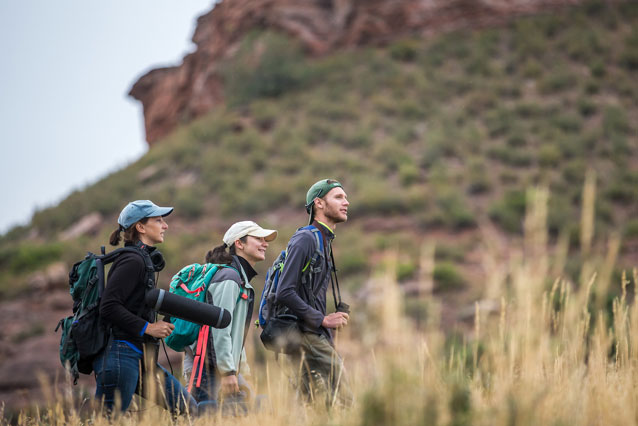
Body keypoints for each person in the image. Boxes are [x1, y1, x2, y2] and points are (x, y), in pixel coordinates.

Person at [93, 200, 197, 415]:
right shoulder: (133, 261)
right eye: (158, 220)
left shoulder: (141, 260)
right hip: (121, 353)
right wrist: (148, 328)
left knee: (188, 409)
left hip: (137, 357)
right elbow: (108, 306)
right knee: (110, 419)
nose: (165, 225)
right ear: (140, 227)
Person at [183, 220, 277, 413]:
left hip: (218, 365)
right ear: (239, 244)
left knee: (242, 412)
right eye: (258, 238)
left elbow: (234, 334)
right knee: (205, 417)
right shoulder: (228, 278)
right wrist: (228, 372)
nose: (265, 243)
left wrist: (243, 371)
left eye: (265, 239)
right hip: (206, 367)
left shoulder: (238, 279)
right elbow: (219, 328)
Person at [274, 178, 353, 407]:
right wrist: (323, 319)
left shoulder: (323, 240)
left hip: (313, 332)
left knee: (316, 404)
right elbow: (284, 291)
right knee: (344, 397)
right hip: (304, 331)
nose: (346, 202)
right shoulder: (305, 239)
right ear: (318, 203)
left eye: (345, 197)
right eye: (338, 197)